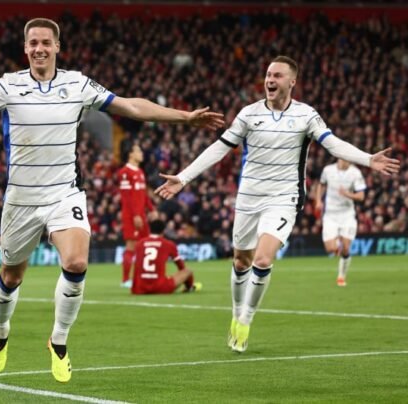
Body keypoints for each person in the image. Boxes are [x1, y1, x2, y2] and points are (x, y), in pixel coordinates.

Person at [0, 18, 224, 383]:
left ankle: (58, 341)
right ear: (25, 49)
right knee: (11, 275)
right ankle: (0, 331)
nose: (39, 48)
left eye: (46, 42)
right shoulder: (9, 85)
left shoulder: (78, 83)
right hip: (21, 199)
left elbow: (130, 107)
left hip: (64, 192)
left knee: (75, 261)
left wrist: (184, 117)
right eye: (33, 42)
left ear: (57, 46)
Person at [155, 55, 399, 353]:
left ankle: (245, 319)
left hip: (284, 198)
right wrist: (184, 177)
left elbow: (332, 142)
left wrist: (367, 159)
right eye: (268, 75)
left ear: (292, 81)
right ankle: (235, 313)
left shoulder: (306, 115)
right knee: (240, 261)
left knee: (262, 259)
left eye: (278, 76)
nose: (270, 80)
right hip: (248, 198)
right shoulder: (249, 114)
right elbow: (220, 148)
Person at [314, 159, 366, 286]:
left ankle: (341, 276)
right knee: (330, 248)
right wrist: (318, 201)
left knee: (346, 249)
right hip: (330, 214)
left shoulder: (355, 172)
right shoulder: (328, 170)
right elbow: (321, 185)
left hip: (347, 214)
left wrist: (347, 194)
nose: (347, 160)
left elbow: (361, 196)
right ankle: (337, 241)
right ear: (339, 157)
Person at [117, 140, 155, 288]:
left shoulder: (140, 172)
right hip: (131, 216)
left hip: (141, 216)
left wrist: (152, 210)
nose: (141, 153)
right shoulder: (124, 173)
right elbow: (127, 197)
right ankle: (126, 280)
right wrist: (135, 215)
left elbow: (143, 195)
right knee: (131, 246)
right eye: (138, 151)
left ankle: (142, 276)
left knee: (145, 246)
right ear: (130, 154)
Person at [131, 219, 201, 295]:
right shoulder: (168, 244)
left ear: (149, 230)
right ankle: (189, 288)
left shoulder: (139, 244)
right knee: (187, 271)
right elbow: (181, 267)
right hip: (160, 287)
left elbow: (136, 268)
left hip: (140, 288)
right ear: (163, 231)